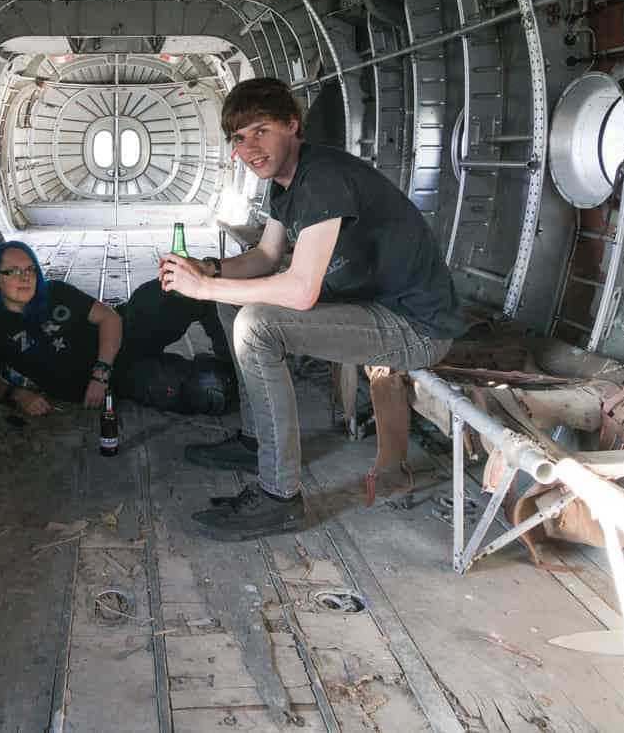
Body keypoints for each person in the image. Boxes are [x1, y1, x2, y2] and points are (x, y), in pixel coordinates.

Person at [160, 78, 466, 540]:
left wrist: (202, 287)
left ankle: (278, 497)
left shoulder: (323, 178)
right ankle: (256, 440)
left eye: (261, 131)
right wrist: (209, 270)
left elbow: (302, 291)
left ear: (292, 125)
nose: (250, 148)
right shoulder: (286, 183)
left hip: (415, 326)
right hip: (368, 305)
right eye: (239, 138)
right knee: (231, 302)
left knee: (257, 325)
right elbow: (265, 257)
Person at [0, 241, 234, 417]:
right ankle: (215, 370)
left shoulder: (54, 291)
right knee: (211, 391)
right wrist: (17, 394)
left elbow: (109, 318)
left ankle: (235, 358)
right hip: (123, 376)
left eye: (30, 269)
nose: (25, 277)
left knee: (184, 287)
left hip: (129, 330)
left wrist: (100, 373)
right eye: (13, 271)